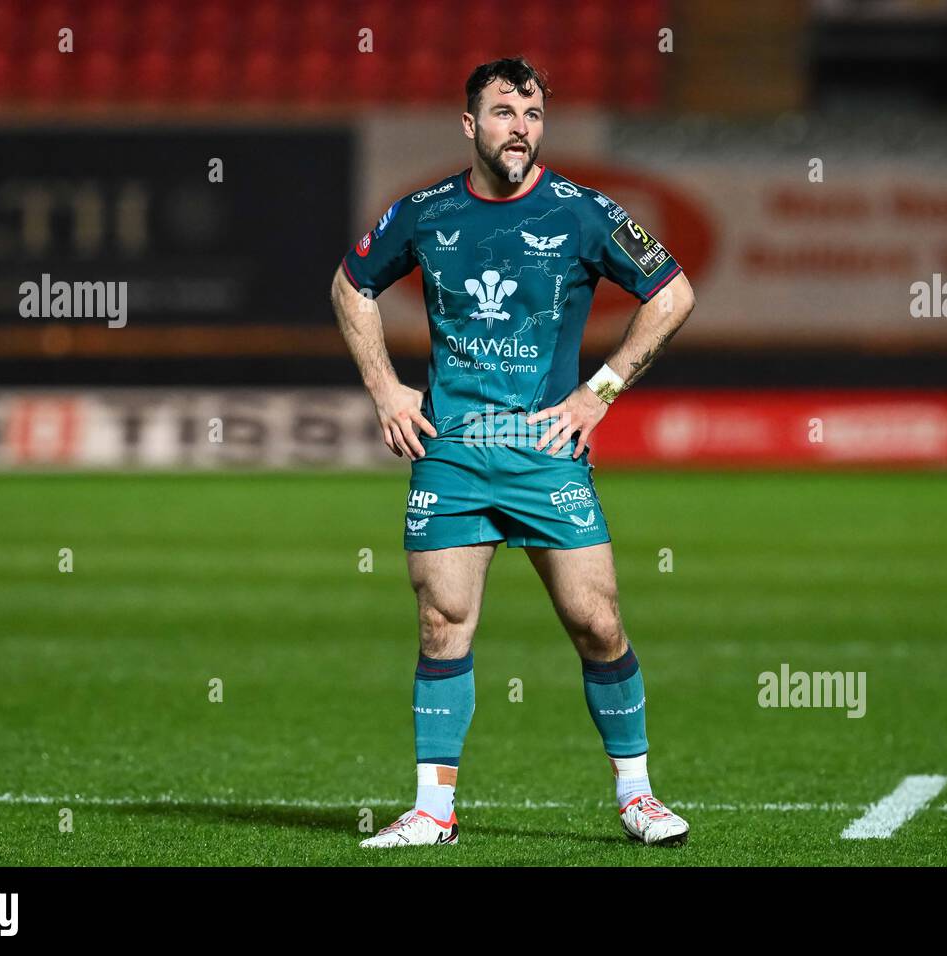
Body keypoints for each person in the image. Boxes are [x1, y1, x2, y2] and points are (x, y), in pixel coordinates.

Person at [330, 57, 696, 848]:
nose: (520, 127)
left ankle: (636, 795)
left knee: (596, 622)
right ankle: (433, 811)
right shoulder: (425, 212)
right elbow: (349, 284)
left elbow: (672, 293)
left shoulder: (584, 212)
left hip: (545, 451)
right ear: (471, 126)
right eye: (503, 113)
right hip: (454, 450)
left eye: (531, 113)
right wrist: (388, 392)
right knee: (442, 622)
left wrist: (598, 392)